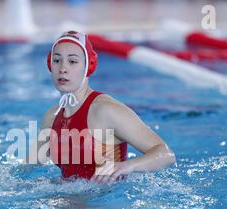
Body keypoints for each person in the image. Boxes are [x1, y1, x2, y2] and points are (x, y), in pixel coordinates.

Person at [28, 30, 176, 184]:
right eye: (57, 60)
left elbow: (166, 154)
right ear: (49, 64)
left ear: (89, 66)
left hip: (106, 205)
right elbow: (29, 166)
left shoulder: (106, 110)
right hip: (65, 201)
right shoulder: (51, 117)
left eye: (72, 61)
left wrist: (127, 166)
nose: (63, 68)